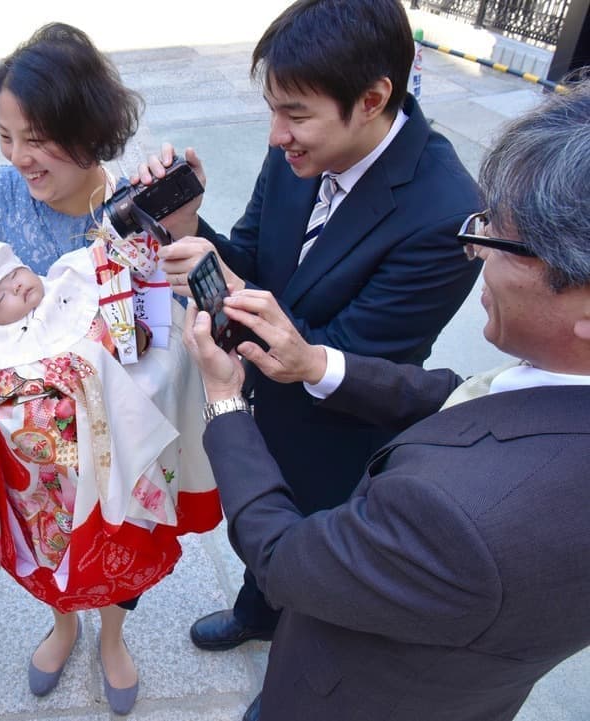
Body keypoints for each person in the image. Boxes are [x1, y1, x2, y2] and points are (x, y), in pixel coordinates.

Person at [182, 78, 590, 721]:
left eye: (500, 240)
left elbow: (289, 560)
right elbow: (471, 398)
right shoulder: (558, 385)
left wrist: (224, 399)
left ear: (370, 96)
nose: (474, 250)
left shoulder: (458, 515)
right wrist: (316, 363)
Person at [136, 0, 483, 654]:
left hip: (340, 427)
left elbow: (350, 353)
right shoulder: (298, 152)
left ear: (374, 97)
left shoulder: (445, 214)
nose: (275, 134)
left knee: (317, 562)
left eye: (295, 114)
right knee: (262, 533)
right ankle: (257, 609)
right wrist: (189, 228)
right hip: (266, 400)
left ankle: (294, 664)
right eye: (273, 109)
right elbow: (251, 258)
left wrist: (237, 292)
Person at [0, 22, 216, 713]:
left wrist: (181, 230)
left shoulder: (131, 205)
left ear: (91, 131)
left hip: (117, 426)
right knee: (45, 537)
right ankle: (62, 619)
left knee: (122, 532)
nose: (19, 158)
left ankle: (112, 633)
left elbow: (166, 326)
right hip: (31, 435)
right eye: (7, 136)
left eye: (37, 138)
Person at [0, 237, 219, 624]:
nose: (16, 286)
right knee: (54, 556)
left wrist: (130, 336)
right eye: (0, 297)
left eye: (15, 273)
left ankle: (113, 633)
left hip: (111, 452)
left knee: (123, 545)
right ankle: (63, 626)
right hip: (46, 487)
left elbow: (117, 329)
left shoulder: (69, 288)